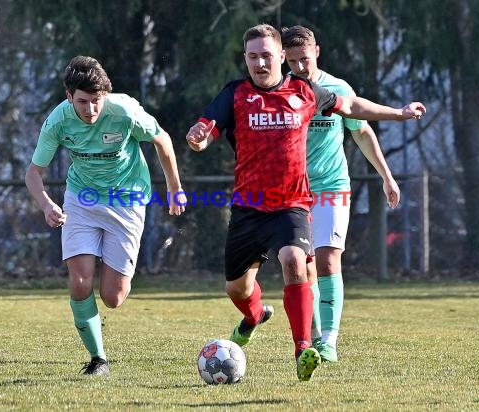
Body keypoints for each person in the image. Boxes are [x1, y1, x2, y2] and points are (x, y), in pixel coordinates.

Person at [186, 24, 425, 381]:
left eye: (267, 55)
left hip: (292, 204)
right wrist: (197, 140)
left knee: (297, 260)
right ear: (246, 59)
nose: (260, 63)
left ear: (281, 57)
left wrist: (398, 113)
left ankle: (304, 348)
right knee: (237, 288)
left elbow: (352, 107)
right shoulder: (235, 94)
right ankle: (253, 316)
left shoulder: (305, 90)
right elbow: (206, 131)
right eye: (253, 56)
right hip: (249, 207)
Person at [25, 56, 186, 376]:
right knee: (80, 281)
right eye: (82, 102)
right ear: (69, 97)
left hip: (127, 201)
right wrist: (46, 205)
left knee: (113, 297)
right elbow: (34, 172)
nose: (91, 110)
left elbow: (162, 140)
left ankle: (116, 284)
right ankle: (98, 359)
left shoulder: (124, 111)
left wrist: (174, 188)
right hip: (82, 200)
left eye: (96, 102)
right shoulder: (57, 121)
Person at [281, 25, 401, 363]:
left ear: (316, 51)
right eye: (291, 62)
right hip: (291, 192)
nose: (300, 67)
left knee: (328, 259)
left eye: (304, 59)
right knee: (301, 266)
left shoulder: (337, 89)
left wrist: (387, 177)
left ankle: (329, 342)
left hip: (332, 187)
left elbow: (361, 132)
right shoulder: (281, 91)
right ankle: (315, 338)